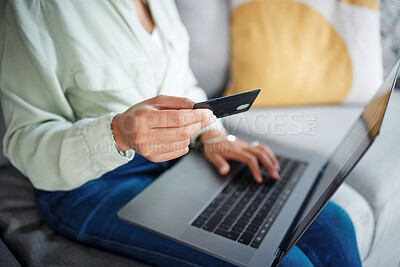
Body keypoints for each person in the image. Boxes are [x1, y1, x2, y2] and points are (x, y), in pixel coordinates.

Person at [0, 0, 362, 266]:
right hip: (91, 184)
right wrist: (120, 133)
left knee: (334, 223)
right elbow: (26, 139)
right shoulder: (33, 8)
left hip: (178, 158)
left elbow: (182, 83)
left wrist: (213, 136)